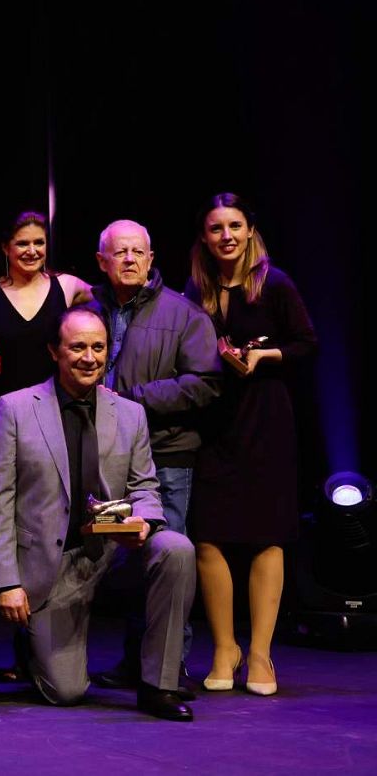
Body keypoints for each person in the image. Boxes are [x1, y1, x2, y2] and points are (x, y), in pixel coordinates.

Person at [0, 306, 197, 721]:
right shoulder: (16, 408)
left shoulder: (129, 412)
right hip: (53, 565)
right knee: (66, 691)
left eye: (98, 348)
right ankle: (33, 645)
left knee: (176, 548)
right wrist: (6, 582)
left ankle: (159, 685)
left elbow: (145, 487)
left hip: (112, 557)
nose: (89, 357)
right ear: (54, 351)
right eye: (77, 347)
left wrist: (145, 523)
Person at [183, 194, 316, 696]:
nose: (227, 236)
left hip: (267, 421)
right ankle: (224, 646)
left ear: (250, 229)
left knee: (266, 535)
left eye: (234, 226)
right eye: (216, 228)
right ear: (205, 237)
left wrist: (265, 357)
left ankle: (260, 653)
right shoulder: (196, 289)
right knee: (209, 534)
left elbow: (308, 343)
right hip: (216, 420)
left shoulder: (274, 284)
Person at [87, 219, 221, 688]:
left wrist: (132, 397)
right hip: (102, 456)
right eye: (118, 252)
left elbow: (205, 382)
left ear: (151, 258)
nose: (129, 259)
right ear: (102, 261)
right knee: (122, 566)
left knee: (169, 560)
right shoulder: (88, 307)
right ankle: (133, 660)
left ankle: (170, 665)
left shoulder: (184, 314)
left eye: (137, 252)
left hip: (165, 455)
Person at [0, 211, 94, 420]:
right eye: (22, 244)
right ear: (5, 247)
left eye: (39, 242)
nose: (32, 251)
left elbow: (112, 296)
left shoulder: (66, 286)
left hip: (54, 412)